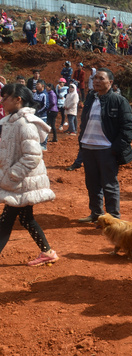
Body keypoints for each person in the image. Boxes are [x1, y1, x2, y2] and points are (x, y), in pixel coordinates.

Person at [0, 83, 58, 266]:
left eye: (5, 97)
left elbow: (32, 156)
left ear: (18, 99)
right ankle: (48, 252)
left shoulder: (25, 124)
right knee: (25, 218)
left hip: (21, 181)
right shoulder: (11, 122)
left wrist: (12, 175)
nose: (2, 101)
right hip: (18, 180)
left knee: (6, 219)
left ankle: (48, 252)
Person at [77, 68, 132, 222]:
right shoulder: (90, 98)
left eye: (101, 78)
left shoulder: (119, 101)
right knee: (92, 184)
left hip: (106, 150)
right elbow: (84, 123)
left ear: (110, 82)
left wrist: (115, 149)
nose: (96, 81)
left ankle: (113, 218)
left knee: (109, 185)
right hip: (88, 148)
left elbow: (128, 128)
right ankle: (96, 214)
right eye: (95, 78)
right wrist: (81, 141)